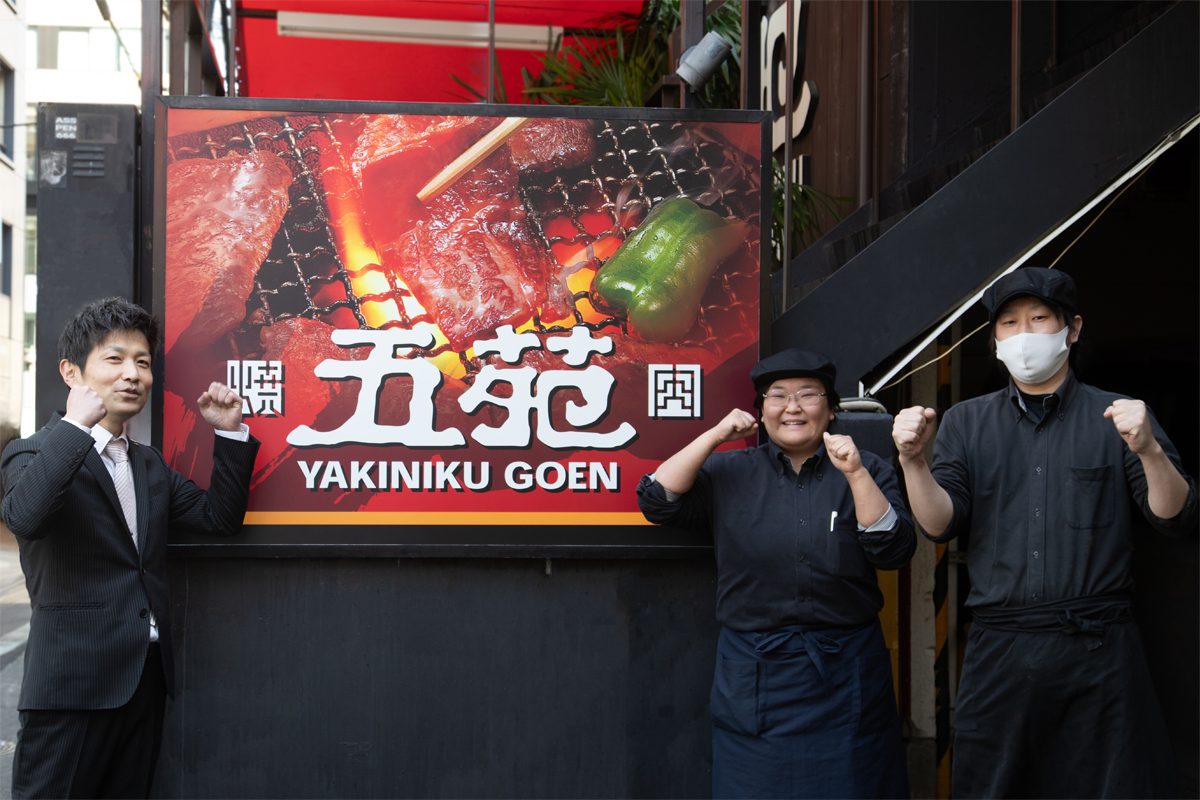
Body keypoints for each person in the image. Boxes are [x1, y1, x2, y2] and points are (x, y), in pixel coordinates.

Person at [892, 267, 1197, 799]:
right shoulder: (965, 422)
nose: (1025, 334)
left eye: (1039, 319)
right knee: (992, 786)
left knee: (1115, 786)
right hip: (1001, 649)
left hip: (1099, 647)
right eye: (1009, 323)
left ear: (1072, 329)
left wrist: (1147, 449)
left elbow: (1173, 516)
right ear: (993, 341)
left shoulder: (1119, 417)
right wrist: (913, 462)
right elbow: (939, 523)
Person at [1, 298, 260, 799]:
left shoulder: (147, 465)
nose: (132, 375)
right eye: (114, 359)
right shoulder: (32, 451)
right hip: (71, 689)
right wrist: (76, 428)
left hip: (143, 682)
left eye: (142, 362)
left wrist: (228, 434)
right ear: (71, 372)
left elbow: (218, 519)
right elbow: (25, 519)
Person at [638, 349, 914, 800]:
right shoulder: (729, 471)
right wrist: (715, 435)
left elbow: (894, 550)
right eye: (778, 396)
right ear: (760, 411)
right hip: (756, 674)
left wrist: (856, 474)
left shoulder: (869, 468)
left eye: (809, 394)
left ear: (830, 407)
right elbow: (657, 500)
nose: (793, 407)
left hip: (846, 675)